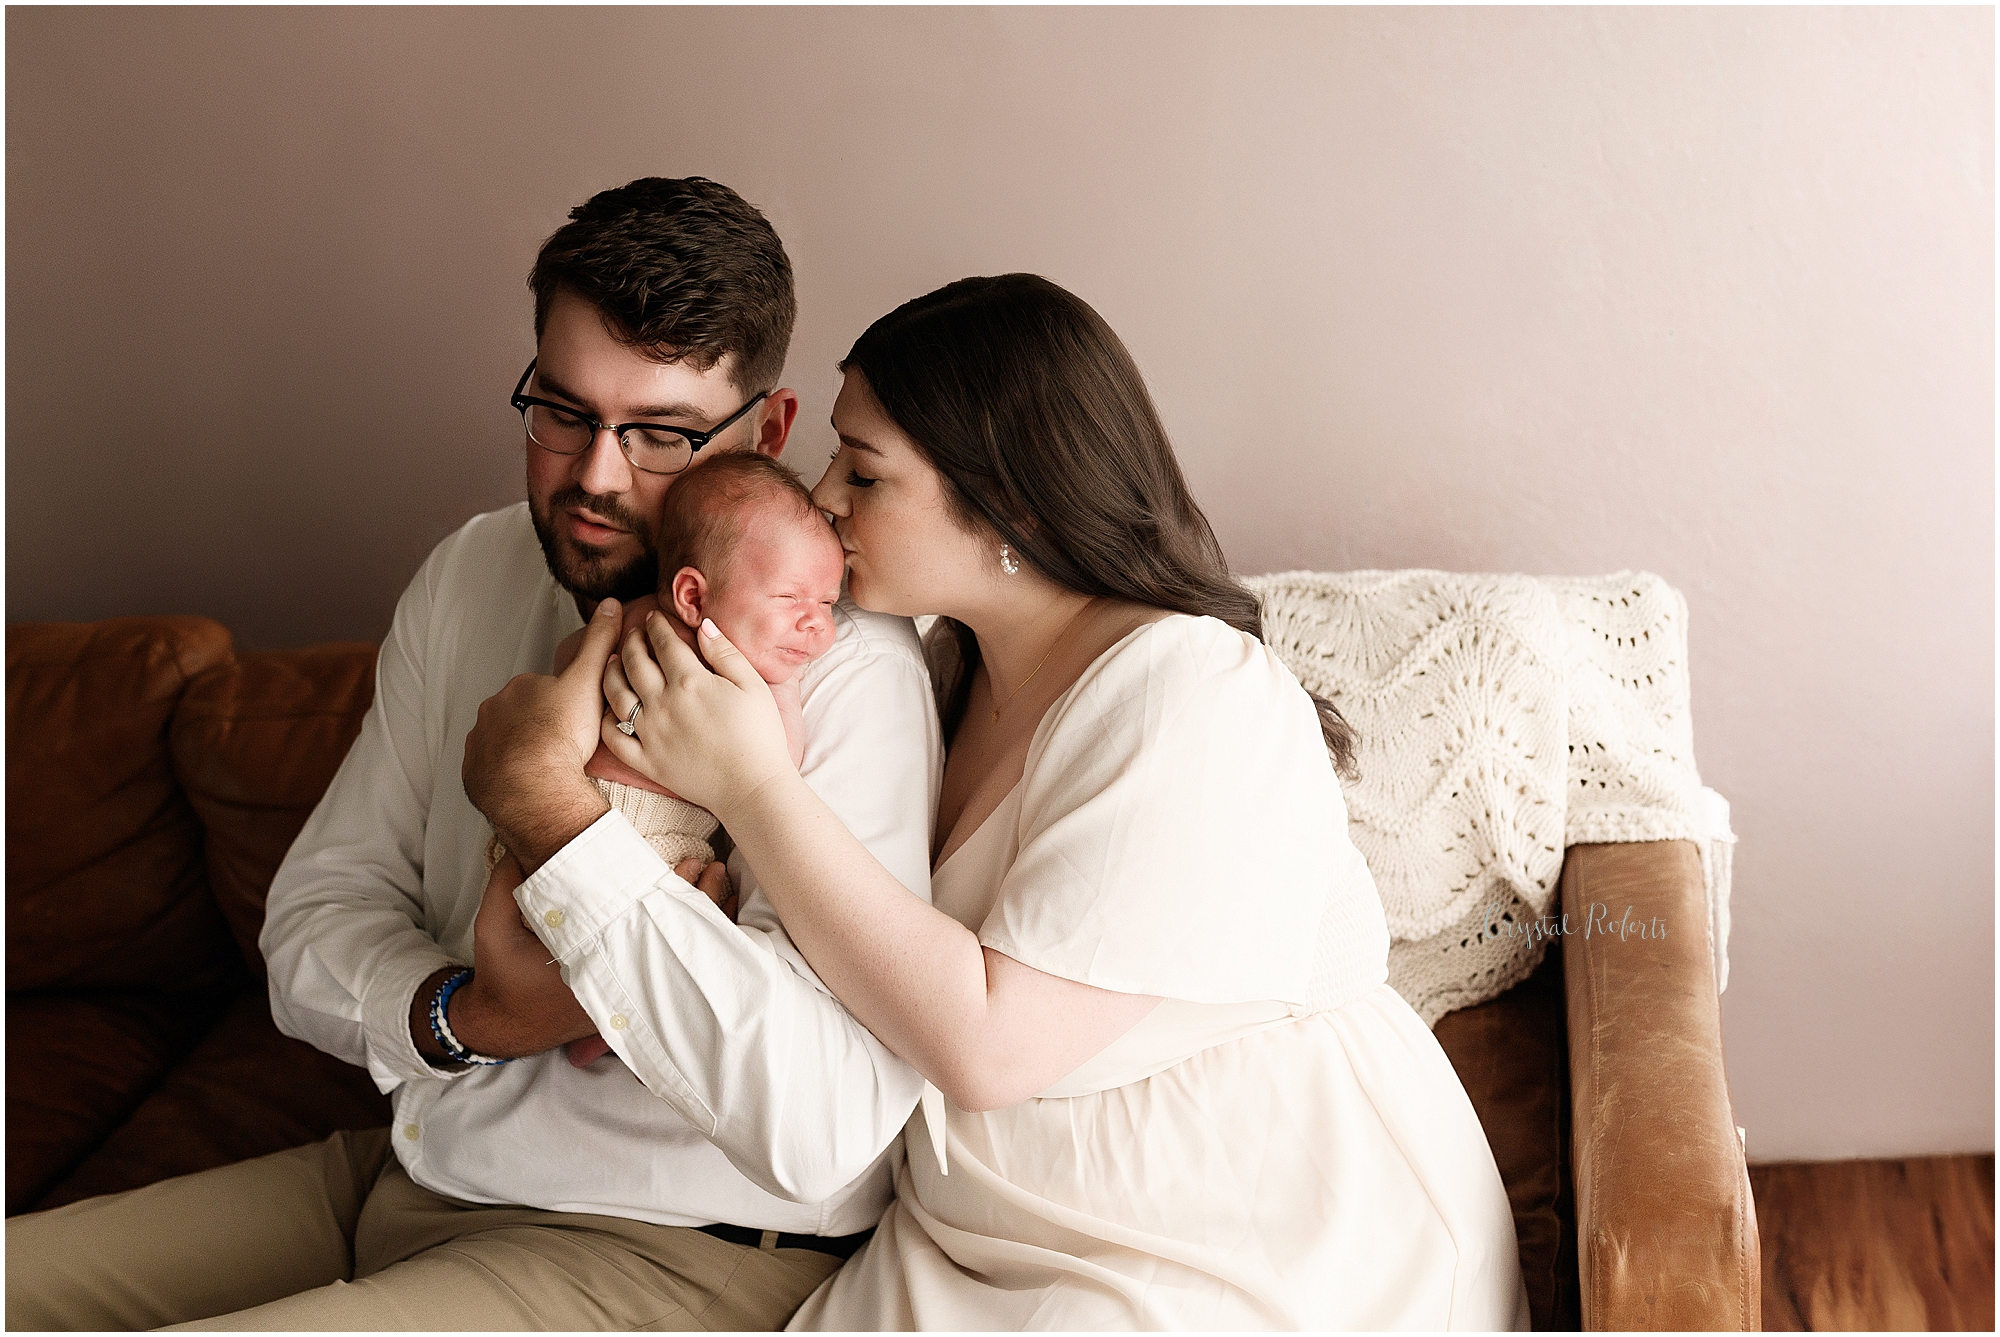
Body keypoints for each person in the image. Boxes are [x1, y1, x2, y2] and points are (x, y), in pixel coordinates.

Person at [5, 178, 941, 1331]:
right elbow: (313, 914)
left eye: (656, 432)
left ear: (768, 429)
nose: (595, 476)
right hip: (405, 1172)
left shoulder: (842, 664)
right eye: (562, 410)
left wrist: (544, 801)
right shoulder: (475, 569)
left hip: (662, 1244)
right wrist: (472, 1014)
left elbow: (822, 1124)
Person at [600, 273, 1534, 1329]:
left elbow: (990, 1044)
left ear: (1013, 506)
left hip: (1230, 1236)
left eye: (863, 472)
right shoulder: (942, 675)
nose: (819, 495)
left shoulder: (1188, 688)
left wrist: (751, 782)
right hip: (983, 1238)